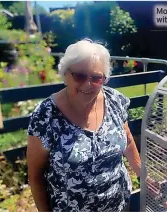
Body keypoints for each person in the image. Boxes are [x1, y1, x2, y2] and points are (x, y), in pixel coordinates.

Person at [26, 38, 141, 212]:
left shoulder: (115, 100)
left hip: (119, 204)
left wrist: (142, 174)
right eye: (80, 76)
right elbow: (35, 176)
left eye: (96, 78)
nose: (88, 84)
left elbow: (129, 140)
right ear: (65, 74)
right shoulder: (46, 115)